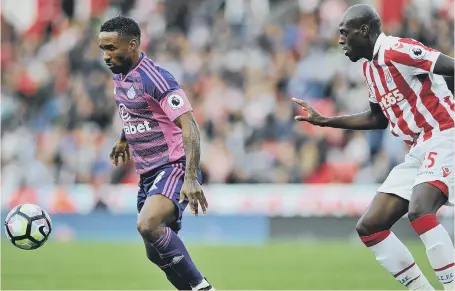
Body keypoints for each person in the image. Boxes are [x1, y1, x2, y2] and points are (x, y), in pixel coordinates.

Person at [292, 4, 454, 291]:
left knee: (420, 210)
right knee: (371, 226)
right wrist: (326, 121)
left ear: (363, 30)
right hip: (418, 147)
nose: (340, 40)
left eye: (344, 33)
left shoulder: (397, 50)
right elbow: (377, 119)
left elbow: (451, 67)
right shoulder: (370, 68)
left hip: (444, 134)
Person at [98, 16, 213, 291]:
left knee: (148, 224)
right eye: (102, 48)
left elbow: (191, 127)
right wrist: (124, 138)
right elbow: (136, 110)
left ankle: (203, 288)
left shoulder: (157, 79)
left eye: (111, 48)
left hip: (173, 166)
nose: (106, 56)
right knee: (154, 251)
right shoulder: (119, 74)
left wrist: (190, 178)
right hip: (148, 173)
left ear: (133, 44)